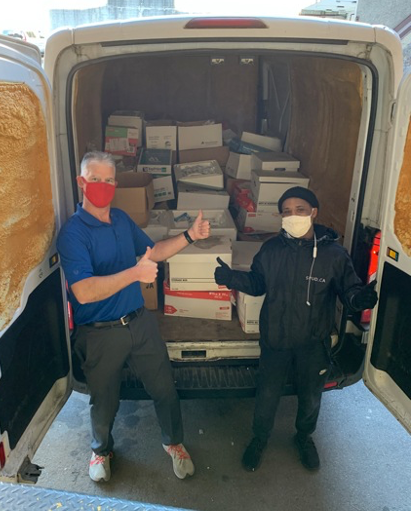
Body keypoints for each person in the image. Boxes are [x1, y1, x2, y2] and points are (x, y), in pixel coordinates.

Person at [57, 151, 211, 483]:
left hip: (139, 323)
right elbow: (83, 291)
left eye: (109, 180)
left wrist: (190, 236)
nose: (102, 185)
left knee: (165, 388)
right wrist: (135, 274)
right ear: (81, 183)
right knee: (104, 400)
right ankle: (101, 449)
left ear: (116, 184)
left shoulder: (122, 220)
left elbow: (151, 252)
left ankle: (174, 442)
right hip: (99, 333)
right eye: (95, 179)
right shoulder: (72, 233)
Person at [214, 187, 378, 472]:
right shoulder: (271, 250)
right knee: (267, 394)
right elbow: (257, 284)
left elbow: (348, 289)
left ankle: (303, 437)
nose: (293, 216)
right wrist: (230, 278)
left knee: (311, 396)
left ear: (314, 212)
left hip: (313, 343)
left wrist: (358, 298)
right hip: (275, 339)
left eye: (300, 210)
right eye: (286, 211)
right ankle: (259, 438)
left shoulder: (334, 255)